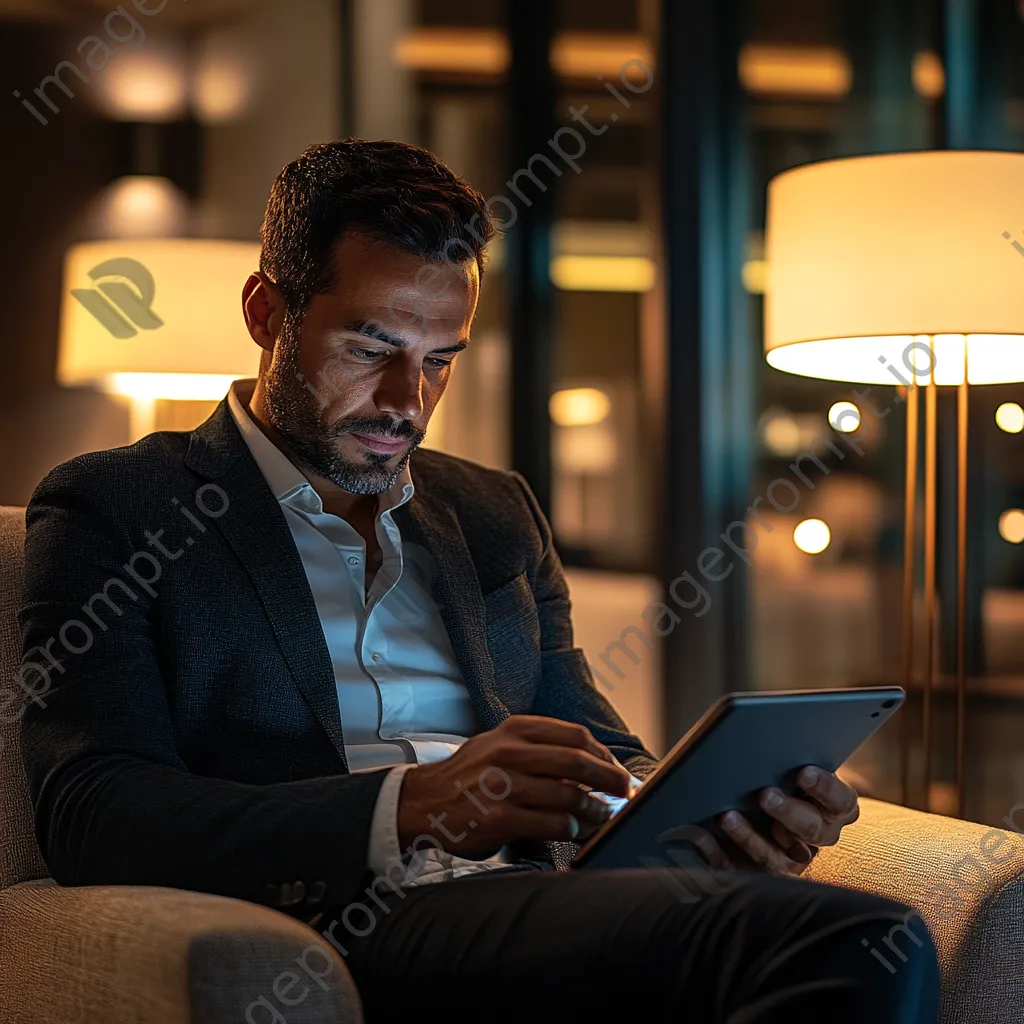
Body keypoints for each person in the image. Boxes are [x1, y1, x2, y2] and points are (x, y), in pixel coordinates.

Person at [19, 139, 938, 1021]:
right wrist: (410, 809)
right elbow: (98, 811)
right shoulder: (120, 507)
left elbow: (600, 749)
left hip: (543, 902)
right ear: (268, 313)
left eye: (440, 360)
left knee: (825, 929)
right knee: (860, 940)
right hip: (340, 915)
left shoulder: (494, 512)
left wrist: (710, 816)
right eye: (370, 349)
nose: (407, 401)